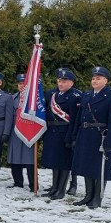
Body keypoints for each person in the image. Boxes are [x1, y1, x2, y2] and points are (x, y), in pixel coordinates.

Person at [70, 67, 111, 209]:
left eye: (98, 78)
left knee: (100, 167)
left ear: (106, 81)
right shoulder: (87, 95)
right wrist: (75, 135)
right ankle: (88, 195)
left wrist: (110, 142)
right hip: (85, 135)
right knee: (86, 166)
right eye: (93, 78)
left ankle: (97, 198)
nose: (95, 80)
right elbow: (79, 118)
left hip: (101, 136)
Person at [42, 68, 82, 199]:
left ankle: (61, 190)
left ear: (72, 83)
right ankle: (54, 187)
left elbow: (74, 120)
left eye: (64, 81)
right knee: (54, 162)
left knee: (64, 163)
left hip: (65, 132)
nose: (61, 84)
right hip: (53, 131)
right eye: (59, 81)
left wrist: (71, 137)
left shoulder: (74, 97)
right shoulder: (53, 94)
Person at [7, 74, 35, 191]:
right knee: (15, 157)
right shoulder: (12, 98)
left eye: (24, 84)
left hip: (29, 131)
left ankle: (33, 184)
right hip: (15, 132)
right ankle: (18, 182)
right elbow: (8, 117)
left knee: (29, 159)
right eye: (19, 84)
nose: (21, 86)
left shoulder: (33, 100)